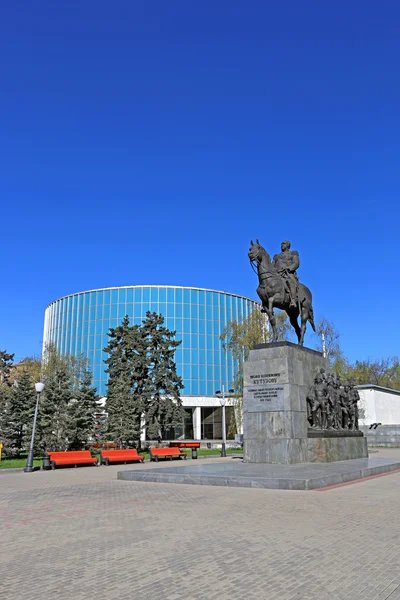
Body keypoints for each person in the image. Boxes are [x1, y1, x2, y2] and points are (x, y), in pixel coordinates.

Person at [272, 240, 299, 308]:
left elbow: (296, 263)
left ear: (288, 245)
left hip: (288, 273)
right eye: (281, 244)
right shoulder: (276, 256)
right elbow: (272, 266)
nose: (282, 245)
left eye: (283, 244)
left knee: (290, 282)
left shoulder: (293, 253)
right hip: (277, 274)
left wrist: (289, 268)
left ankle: (293, 300)